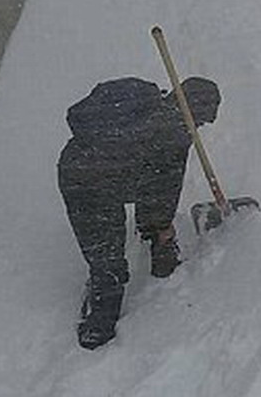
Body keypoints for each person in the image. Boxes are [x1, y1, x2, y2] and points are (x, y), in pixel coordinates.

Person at [57, 75, 221, 350]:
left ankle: (99, 318)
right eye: (202, 122)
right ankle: (100, 331)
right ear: (196, 113)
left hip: (75, 171)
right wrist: (161, 237)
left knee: (103, 256)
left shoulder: (143, 97)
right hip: (104, 181)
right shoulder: (176, 134)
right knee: (109, 264)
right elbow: (162, 193)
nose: (200, 128)